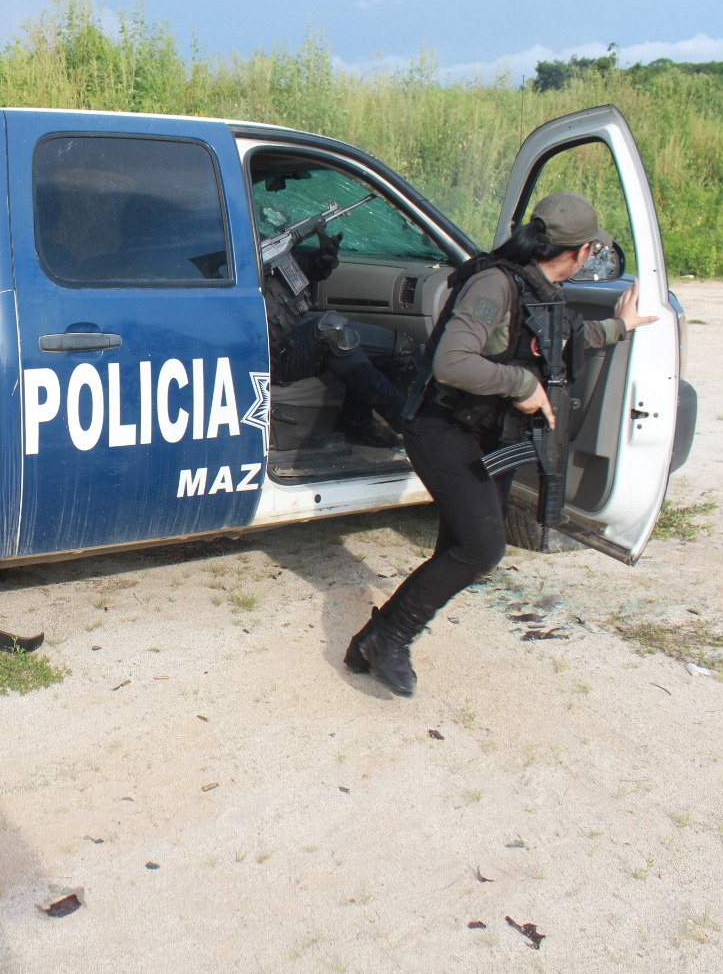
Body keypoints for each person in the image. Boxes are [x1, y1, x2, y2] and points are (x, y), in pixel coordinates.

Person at [345, 193, 657, 697]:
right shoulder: (495, 283)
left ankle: (368, 642)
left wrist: (623, 326)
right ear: (580, 253)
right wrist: (523, 386)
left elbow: (564, 342)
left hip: (490, 434)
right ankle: (389, 637)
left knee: (460, 546)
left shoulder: (544, 291)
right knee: (482, 548)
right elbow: (453, 363)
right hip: (441, 426)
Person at [268, 227, 410, 448]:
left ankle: (356, 421)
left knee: (400, 348)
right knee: (332, 331)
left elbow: (291, 271)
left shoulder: (255, 243)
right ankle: (406, 420)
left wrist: (320, 260)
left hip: (291, 328)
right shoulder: (218, 254)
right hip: (266, 355)